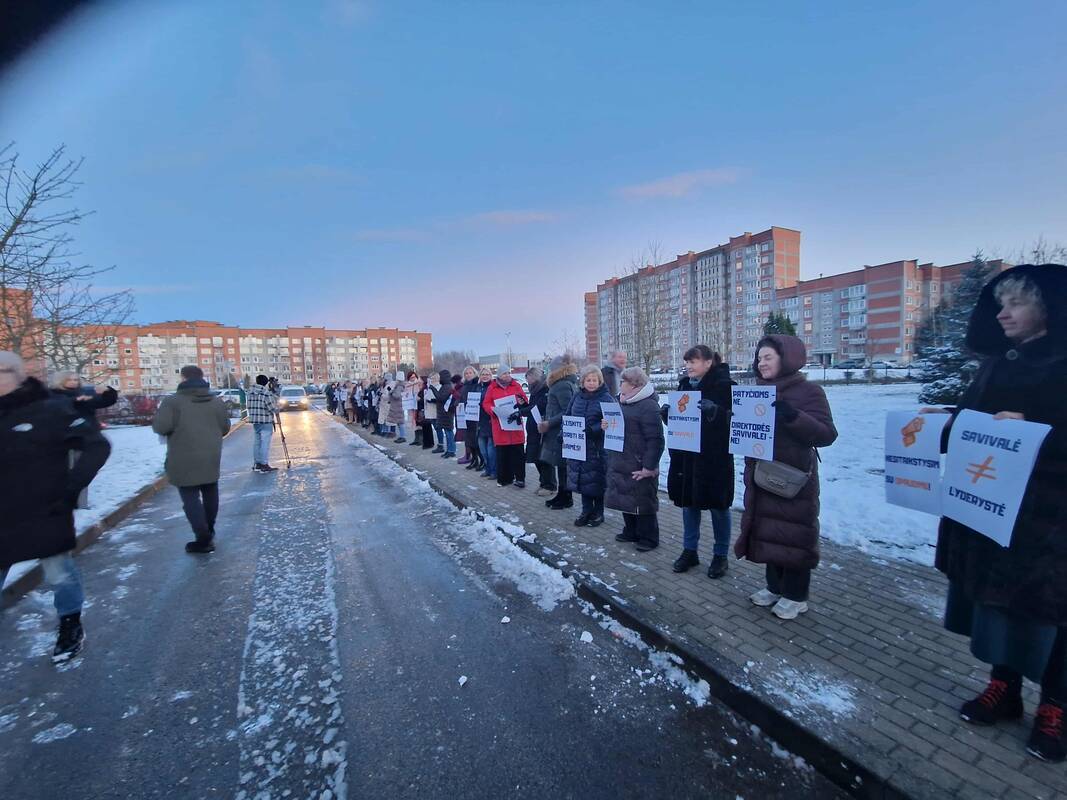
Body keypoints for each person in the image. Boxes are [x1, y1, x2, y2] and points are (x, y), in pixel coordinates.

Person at [925, 264, 1067, 763]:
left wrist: (1036, 430)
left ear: (1048, 308)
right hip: (991, 512)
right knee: (997, 604)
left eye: (1017, 303)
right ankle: (1003, 688)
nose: (1003, 313)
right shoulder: (995, 364)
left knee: (1053, 614)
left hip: (1050, 522)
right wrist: (945, 428)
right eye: (1000, 303)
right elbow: (971, 420)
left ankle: (1056, 707)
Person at [0, 351, 111, 663]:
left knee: (59, 573)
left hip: (43, 511)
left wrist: (70, 490)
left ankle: (70, 625)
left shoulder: (48, 409)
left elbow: (96, 445)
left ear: (16, 374)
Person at [734, 335, 837, 621]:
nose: (761, 363)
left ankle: (795, 595)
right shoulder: (758, 391)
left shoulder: (809, 392)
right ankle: (774, 587)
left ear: (787, 358)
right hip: (762, 475)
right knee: (770, 532)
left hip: (792, 479)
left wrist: (793, 416)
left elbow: (826, 435)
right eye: (759, 358)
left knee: (793, 536)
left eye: (767, 357)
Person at [665, 346, 736, 578]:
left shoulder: (726, 387)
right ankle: (690, 550)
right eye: (687, 361)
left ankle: (720, 555)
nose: (688, 366)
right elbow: (681, 422)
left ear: (708, 363)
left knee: (718, 507)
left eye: (693, 361)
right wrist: (668, 415)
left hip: (713, 459)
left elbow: (737, 423)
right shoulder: (685, 385)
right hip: (687, 458)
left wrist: (716, 411)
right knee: (690, 505)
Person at [152, 365, 232, 554]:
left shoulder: (173, 402)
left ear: (183, 378)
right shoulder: (216, 401)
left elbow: (161, 427)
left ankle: (202, 537)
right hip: (211, 454)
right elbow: (225, 428)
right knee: (211, 491)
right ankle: (209, 529)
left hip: (182, 455)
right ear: (202, 378)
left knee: (190, 496)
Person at [603, 367, 664, 551]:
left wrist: (649, 466)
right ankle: (630, 530)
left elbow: (656, 439)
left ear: (634, 384)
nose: (620, 384)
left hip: (639, 462)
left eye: (623, 382)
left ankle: (649, 537)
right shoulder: (621, 402)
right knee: (624, 497)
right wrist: (606, 424)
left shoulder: (648, 405)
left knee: (643, 500)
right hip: (621, 459)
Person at [564, 365, 612, 526]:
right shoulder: (577, 397)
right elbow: (568, 416)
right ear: (582, 381)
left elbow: (613, 422)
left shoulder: (606, 398)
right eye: (588, 380)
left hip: (597, 448)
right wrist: (561, 435)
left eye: (594, 380)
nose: (591, 383)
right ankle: (585, 511)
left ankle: (598, 513)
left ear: (600, 381)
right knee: (582, 481)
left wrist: (595, 429)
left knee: (596, 481)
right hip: (578, 446)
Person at [539, 355, 579, 509]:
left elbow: (567, 411)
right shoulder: (561, 383)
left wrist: (549, 422)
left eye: (551, 367)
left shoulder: (562, 385)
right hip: (557, 431)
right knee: (561, 465)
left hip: (560, 431)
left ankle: (566, 497)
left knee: (563, 466)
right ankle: (562, 494)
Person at [483, 365, 528, 486]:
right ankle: (505, 479)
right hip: (500, 424)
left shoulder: (516, 385)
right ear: (498, 376)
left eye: (508, 373)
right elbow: (486, 403)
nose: (507, 375)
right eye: (504, 373)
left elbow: (524, 401)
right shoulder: (492, 388)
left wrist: (522, 403)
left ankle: (520, 478)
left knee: (518, 453)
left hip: (515, 424)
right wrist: (494, 411)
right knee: (503, 454)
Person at [518, 367, 556, 495]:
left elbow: (538, 407)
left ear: (535, 377)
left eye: (528, 378)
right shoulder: (534, 390)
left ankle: (550, 485)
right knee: (535, 457)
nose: (527, 382)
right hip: (533, 428)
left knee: (544, 458)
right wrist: (523, 405)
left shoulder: (545, 389)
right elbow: (531, 409)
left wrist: (521, 411)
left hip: (543, 428)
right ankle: (543, 482)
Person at [246, 374, 278, 473]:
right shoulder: (265, 393)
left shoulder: (249, 392)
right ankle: (264, 464)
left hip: (255, 420)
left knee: (257, 442)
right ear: (266, 382)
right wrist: (278, 406)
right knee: (265, 443)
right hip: (265, 421)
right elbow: (272, 408)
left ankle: (257, 463)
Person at [458, 366, 482, 470]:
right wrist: (458, 403)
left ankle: (482, 461)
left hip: (475, 416)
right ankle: (474, 460)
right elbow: (462, 398)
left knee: (475, 440)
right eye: (466, 373)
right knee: (468, 440)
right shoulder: (464, 386)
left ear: (474, 373)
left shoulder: (478, 384)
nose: (468, 375)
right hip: (466, 415)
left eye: (470, 373)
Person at [476, 366, 497, 479]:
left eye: (487, 374)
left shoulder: (493, 387)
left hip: (489, 421)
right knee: (483, 449)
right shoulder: (477, 388)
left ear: (491, 376)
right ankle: (487, 468)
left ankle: (494, 471)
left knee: (490, 449)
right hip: (479, 422)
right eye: (483, 374)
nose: (485, 376)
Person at [436, 369, 457, 458]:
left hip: (447, 413)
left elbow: (441, 398)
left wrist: (433, 388)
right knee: (447, 432)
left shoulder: (447, 387)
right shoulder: (446, 386)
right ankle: (449, 450)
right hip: (444, 412)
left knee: (449, 432)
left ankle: (451, 450)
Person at [422, 372, 440, 449]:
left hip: (436, 411)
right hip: (429, 411)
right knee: (436, 428)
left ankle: (440, 444)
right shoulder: (429, 388)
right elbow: (426, 397)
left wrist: (432, 400)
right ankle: (439, 443)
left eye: (433, 378)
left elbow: (439, 398)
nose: (432, 380)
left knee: (438, 428)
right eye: (431, 378)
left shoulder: (439, 387)